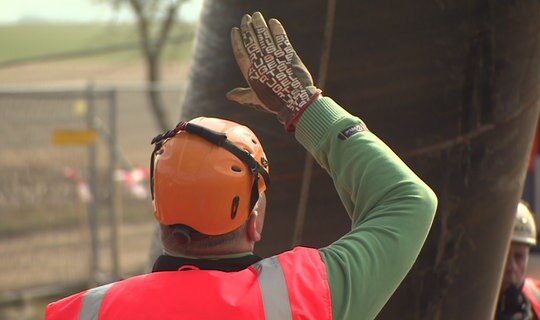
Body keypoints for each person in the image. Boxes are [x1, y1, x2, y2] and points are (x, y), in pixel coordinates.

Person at [45, 12, 437, 319]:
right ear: (253, 221)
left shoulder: (84, 312)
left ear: (159, 213)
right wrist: (304, 107)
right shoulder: (308, 296)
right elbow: (409, 200)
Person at [495, 202, 540, 320]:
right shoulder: (466, 302)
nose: (511, 267)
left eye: (519, 256)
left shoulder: (538, 296)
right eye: (503, 257)